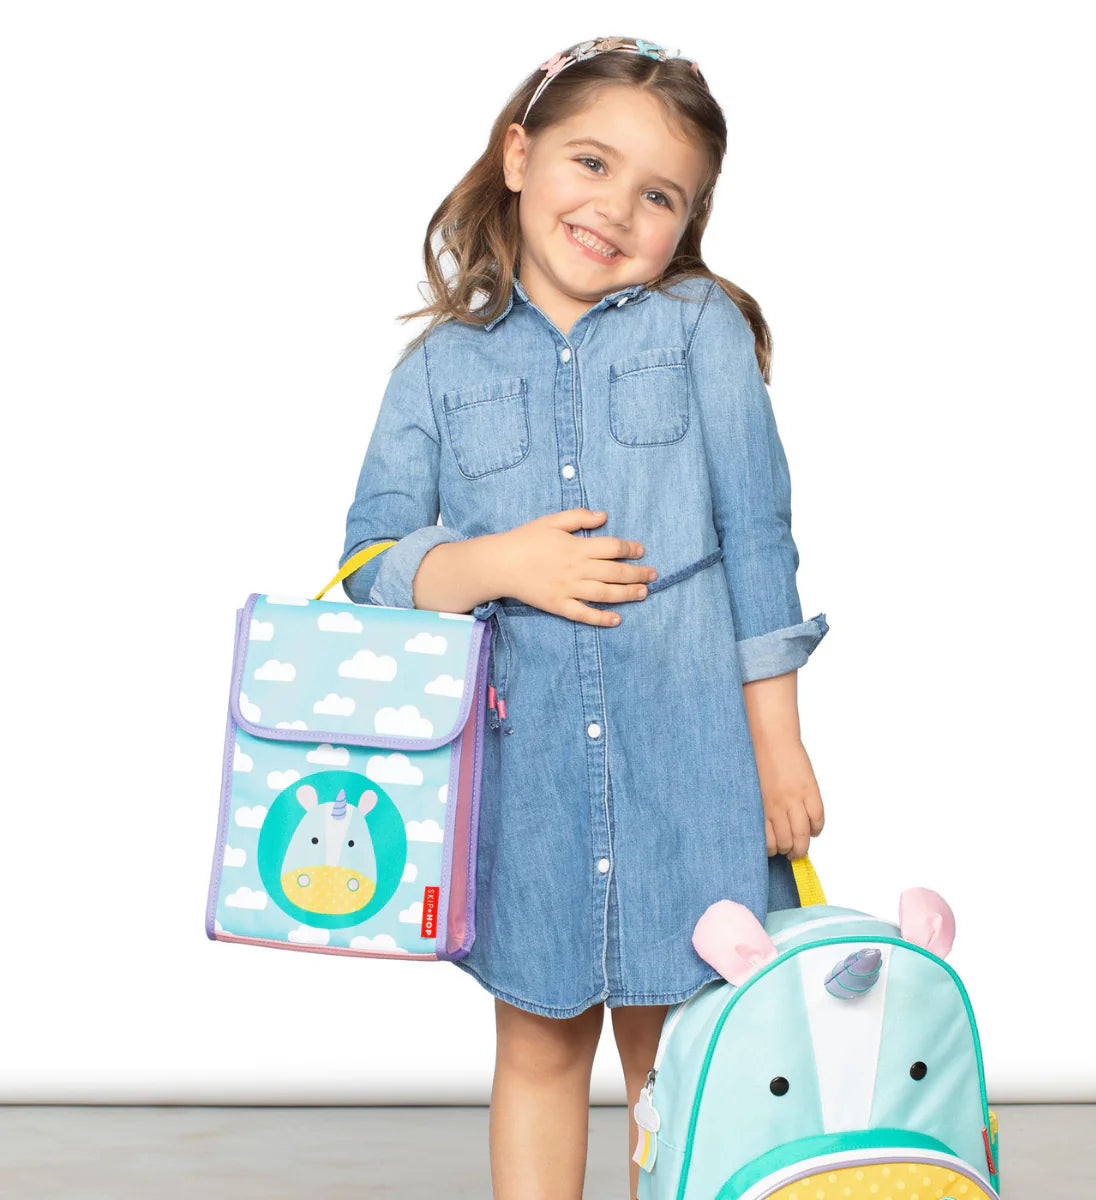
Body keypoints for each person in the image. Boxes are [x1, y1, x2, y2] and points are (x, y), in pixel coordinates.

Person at [339, 35, 830, 1200]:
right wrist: (494, 563)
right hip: (529, 789)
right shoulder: (437, 369)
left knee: (687, 1055)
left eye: (659, 195)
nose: (616, 208)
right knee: (540, 1048)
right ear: (520, 155)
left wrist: (778, 746)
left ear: (690, 220)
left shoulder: (699, 328)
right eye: (592, 163)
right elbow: (366, 562)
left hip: (693, 771)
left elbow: (759, 537)